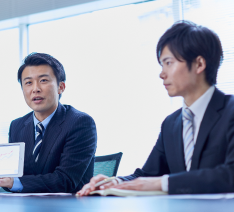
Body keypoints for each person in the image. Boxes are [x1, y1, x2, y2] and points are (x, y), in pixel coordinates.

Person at [78, 20, 234, 196]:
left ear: (199, 64)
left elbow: (230, 175)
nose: (162, 74)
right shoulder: (171, 123)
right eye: (162, 64)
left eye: (168, 63)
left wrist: (163, 182)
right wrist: (115, 182)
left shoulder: (230, 111)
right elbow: (147, 175)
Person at [0, 53, 97, 193]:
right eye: (28, 82)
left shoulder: (80, 123)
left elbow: (65, 180)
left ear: (61, 87)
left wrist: (13, 182)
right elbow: (18, 178)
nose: (35, 89)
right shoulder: (17, 126)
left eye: (43, 80)